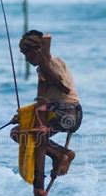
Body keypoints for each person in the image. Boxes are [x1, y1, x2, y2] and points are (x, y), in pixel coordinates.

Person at [11, 30, 82, 176]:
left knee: (21, 133)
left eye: (27, 54)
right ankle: (61, 154)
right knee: (19, 132)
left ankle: (60, 155)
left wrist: (44, 66)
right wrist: (23, 115)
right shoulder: (46, 66)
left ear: (37, 51)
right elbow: (45, 102)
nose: (26, 59)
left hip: (66, 114)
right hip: (63, 113)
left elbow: (65, 88)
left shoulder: (51, 63)